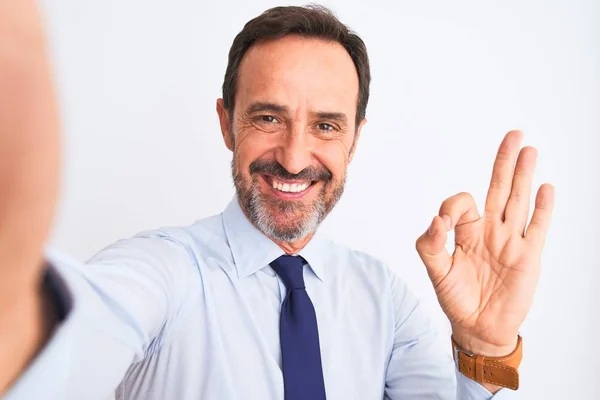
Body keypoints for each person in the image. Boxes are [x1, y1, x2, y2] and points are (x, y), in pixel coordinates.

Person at [0, 2, 555, 400]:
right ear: (226, 123)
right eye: (268, 118)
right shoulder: (159, 272)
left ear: (354, 139)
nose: (294, 158)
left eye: (326, 125)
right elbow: (70, 343)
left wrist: (484, 346)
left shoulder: (384, 298)